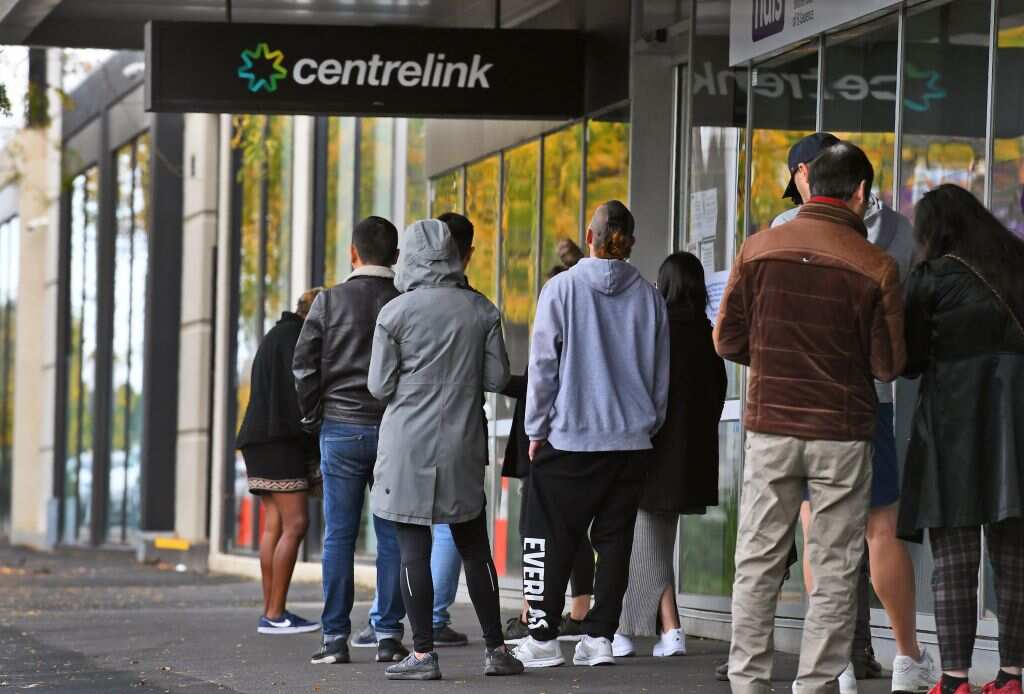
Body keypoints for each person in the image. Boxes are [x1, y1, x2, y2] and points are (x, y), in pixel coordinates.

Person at [716, 141, 905, 694]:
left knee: (758, 560)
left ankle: (748, 681)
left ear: (807, 183)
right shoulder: (876, 265)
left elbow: (726, 338)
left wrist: (776, 359)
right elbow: (888, 364)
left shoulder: (757, 248)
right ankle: (815, 684)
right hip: (842, 433)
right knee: (837, 566)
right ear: (860, 194)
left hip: (771, 425)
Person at [773, 132, 936, 694]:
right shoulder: (891, 235)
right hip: (868, 401)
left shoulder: (778, 234)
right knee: (879, 530)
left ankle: (835, 659)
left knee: (820, 530)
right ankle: (907, 658)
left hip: (798, 407)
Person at [512, 200, 670, 669]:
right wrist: (647, 425)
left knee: (548, 532)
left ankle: (542, 636)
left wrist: (535, 429)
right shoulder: (650, 297)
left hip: (571, 437)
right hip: (631, 442)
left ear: (590, 235)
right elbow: (660, 377)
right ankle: (600, 637)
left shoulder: (560, 290)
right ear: (631, 243)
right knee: (615, 538)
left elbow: (543, 367)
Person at [368, 219, 523, 681]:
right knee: (474, 546)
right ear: (454, 254)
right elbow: (497, 380)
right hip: (462, 442)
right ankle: (496, 649)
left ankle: (422, 655)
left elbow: (379, 386)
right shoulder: (481, 310)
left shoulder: (394, 314)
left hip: (406, 444)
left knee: (412, 547)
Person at [898, 183, 1024, 694]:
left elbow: (906, 361)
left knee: (953, 556)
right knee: (1014, 555)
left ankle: (953, 680)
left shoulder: (930, 278)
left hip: (953, 420)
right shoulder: (1018, 263)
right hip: (1017, 425)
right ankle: (1013, 676)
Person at [292, 217, 408, 665]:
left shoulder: (329, 302)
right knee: (393, 535)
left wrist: (312, 416)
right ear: (396, 257)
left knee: (339, 536)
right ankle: (387, 636)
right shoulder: (403, 302)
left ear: (352, 254)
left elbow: (303, 365)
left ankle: (334, 639)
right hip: (392, 429)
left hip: (338, 427)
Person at [613, 252, 727, 659]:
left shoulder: (657, 332)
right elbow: (716, 396)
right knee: (659, 540)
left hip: (655, 453)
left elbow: (640, 392)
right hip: (693, 459)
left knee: (645, 541)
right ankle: (672, 631)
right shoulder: (710, 336)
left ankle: (624, 630)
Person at [501, 258, 596, 646]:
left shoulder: (554, 329)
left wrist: (534, 432)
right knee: (574, 533)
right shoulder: (587, 333)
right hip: (576, 445)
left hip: (547, 447)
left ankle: (535, 612)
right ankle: (578, 610)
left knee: (536, 530)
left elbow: (541, 380)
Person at [236, 288, 323, 636]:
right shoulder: (296, 338)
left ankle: (272, 610)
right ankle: (274, 613)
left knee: (274, 525)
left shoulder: (276, 335)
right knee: (296, 523)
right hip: (279, 442)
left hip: (259, 442)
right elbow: (299, 394)